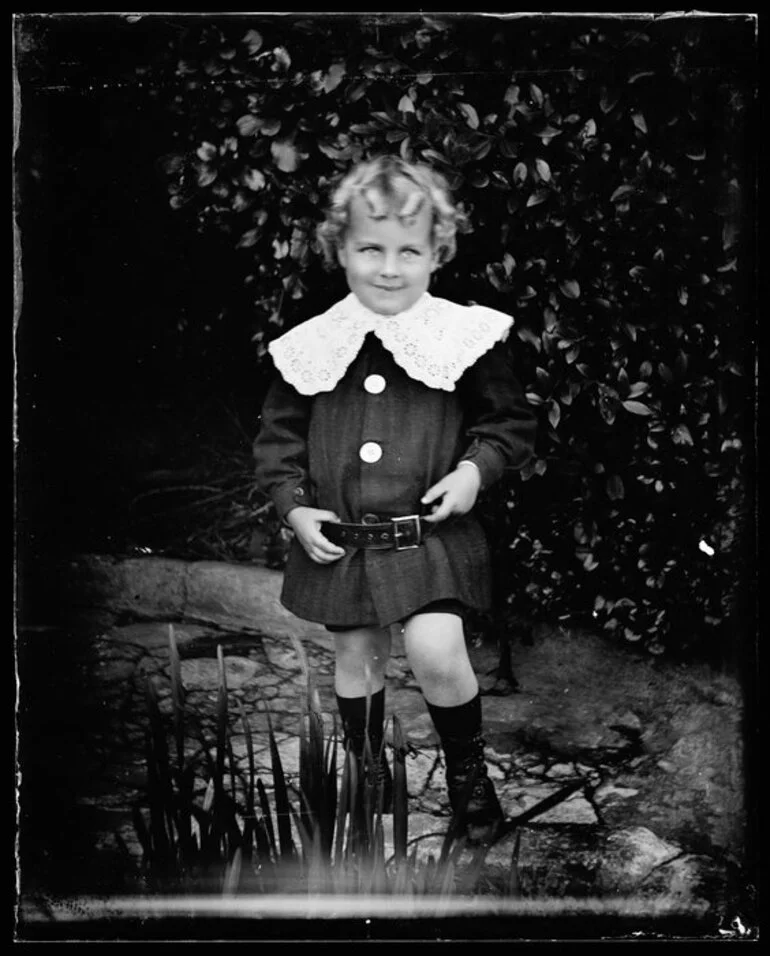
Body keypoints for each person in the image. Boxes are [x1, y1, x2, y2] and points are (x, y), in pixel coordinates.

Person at [253, 155, 537, 844]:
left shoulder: (462, 338)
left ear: (436, 253)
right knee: (357, 659)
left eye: (408, 251)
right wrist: (294, 506)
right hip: (345, 540)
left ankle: (468, 774)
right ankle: (368, 773)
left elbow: (508, 425)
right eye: (369, 249)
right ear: (340, 250)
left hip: (428, 536)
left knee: (438, 650)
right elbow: (276, 444)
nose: (388, 267)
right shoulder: (314, 346)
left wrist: (475, 471)